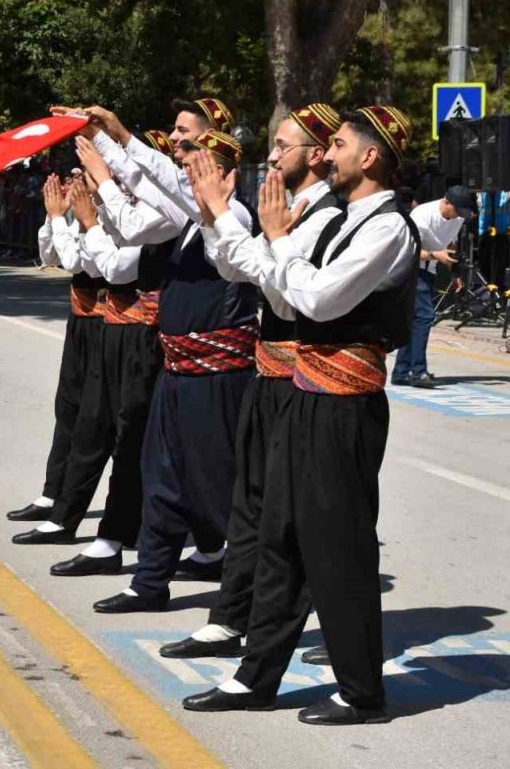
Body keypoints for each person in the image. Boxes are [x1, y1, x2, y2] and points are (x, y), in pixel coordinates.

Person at [183, 106, 419, 725]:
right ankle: (255, 678)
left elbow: (315, 299)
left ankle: (363, 693)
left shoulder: (387, 228)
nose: (327, 154)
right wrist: (234, 221)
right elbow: (282, 289)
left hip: (344, 407)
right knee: (280, 541)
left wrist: (278, 239)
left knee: (337, 550)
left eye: (338, 145)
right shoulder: (347, 220)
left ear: (370, 158)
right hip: (306, 394)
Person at [160, 103, 345, 661]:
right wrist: (218, 216)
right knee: (250, 503)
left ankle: (337, 626)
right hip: (271, 371)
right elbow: (237, 269)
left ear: (314, 155)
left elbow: (291, 294)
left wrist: (244, 226)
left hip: (308, 379)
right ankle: (229, 618)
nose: (270, 155)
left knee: (303, 514)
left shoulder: (329, 217)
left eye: (281, 146)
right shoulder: (284, 208)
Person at [75, 99, 258, 613]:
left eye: (203, 167)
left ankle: (257, 588)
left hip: (217, 376)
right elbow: (153, 183)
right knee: (162, 479)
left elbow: (166, 183)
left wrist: (117, 136)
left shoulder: (234, 217)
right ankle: (149, 583)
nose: (190, 174)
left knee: (219, 488)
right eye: (190, 165)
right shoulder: (190, 221)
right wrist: (107, 140)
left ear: (227, 176)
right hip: (178, 372)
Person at [35, 154, 175, 577]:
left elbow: (110, 268)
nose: (89, 183)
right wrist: (60, 218)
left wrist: (87, 221)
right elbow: (63, 258)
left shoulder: (155, 220)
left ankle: (122, 532)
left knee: (128, 435)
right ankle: (64, 513)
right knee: (89, 422)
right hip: (108, 327)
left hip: (137, 335)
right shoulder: (107, 215)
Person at [6, 175, 111, 531]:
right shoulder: (80, 216)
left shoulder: (111, 217)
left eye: (85, 177)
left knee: (94, 420)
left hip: (107, 323)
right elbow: (49, 255)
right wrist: (56, 217)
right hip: (80, 320)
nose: (75, 183)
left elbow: (78, 261)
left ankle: (73, 509)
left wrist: (62, 218)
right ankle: (52, 494)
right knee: (67, 407)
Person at [391, 185, 477, 387]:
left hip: (430, 270)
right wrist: (434, 255)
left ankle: (401, 372)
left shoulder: (458, 217)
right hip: (411, 267)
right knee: (425, 316)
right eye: (455, 210)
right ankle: (418, 371)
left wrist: (455, 273)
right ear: (445, 202)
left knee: (415, 321)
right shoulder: (422, 216)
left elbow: (451, 244)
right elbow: (409, 249)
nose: (457, 216)